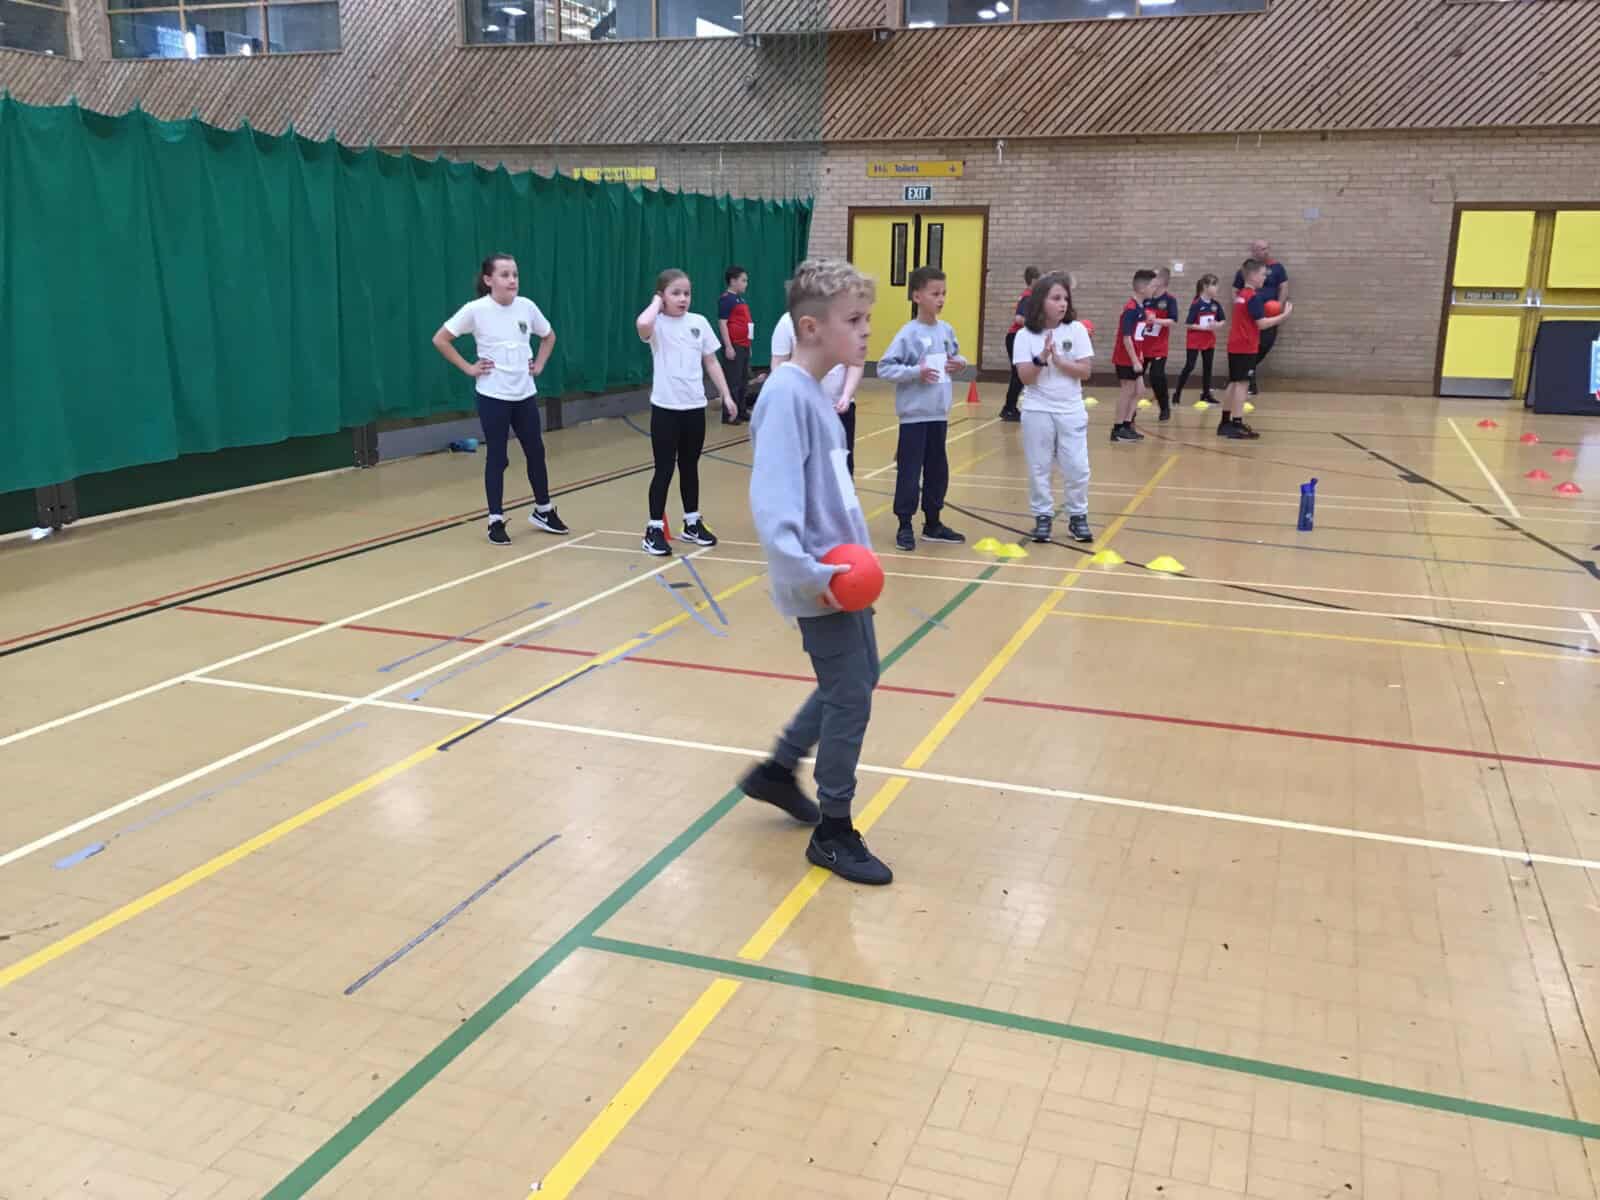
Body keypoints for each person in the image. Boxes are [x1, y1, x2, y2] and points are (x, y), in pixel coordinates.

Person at [737, 258, 892, 886]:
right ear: (811, 327)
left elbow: (833, 495)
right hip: (822, 581)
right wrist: (813, 576)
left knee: (860, 677)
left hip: (844, 574)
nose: (865, 331)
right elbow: (774, 504)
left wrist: (859, 557)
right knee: (850, 693)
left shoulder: (818, 394)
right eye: (853, 320)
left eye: (866, 319)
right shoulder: (785, 396)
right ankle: (833, 829)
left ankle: (777, 770)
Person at [431, 253, 570, 546]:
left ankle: (543, 510)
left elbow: (549, 336)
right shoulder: (476, 310)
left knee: (536, 451)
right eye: (505, 275)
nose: (512, 280)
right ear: (488, 280)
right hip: (493, 396)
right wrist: (469, 368)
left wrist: (539, 364)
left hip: (525, 395)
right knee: (498, 456)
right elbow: (440, 339)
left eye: (515, 274)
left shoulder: (527, 307)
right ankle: (495, 519)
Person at [635, 270, 736, 555]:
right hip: (666, 410)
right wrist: (656, 303)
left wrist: (726, 394)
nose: (682, 298)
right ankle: (654, 528)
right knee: (664, 468)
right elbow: (642, 323)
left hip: (694, 408)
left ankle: (691, 522)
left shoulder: (699, 322)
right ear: (662, 296)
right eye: (675, 293)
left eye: (687, 293)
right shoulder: (656, 324)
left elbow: (711, 362)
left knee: (690, 466)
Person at [877, 265, 967, 551]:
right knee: (909, 471)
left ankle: (933, 523)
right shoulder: (909, 333)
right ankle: (904, 524)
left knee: (937, 470)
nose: (941, 299)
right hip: (914, 417)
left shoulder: (946, 330)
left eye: (944, 293)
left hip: (939, 414)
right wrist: (917, 371)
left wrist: (959, 363)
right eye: (935, 293)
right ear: (917, 296)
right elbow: (885, 368)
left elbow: (955, 355)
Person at [1012, 272, 1095, 545]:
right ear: (1041, 302)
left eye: (1065, 299)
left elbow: (1085, 371)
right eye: (1056, 298)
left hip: (1070, 408)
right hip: (1037, 408)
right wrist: (1042, 358)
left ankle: (1077, 515)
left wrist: (1060, 362)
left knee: (1077, 467)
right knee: (1039, 466)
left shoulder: (1076, 330)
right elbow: (1025, 377)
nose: (1062, 304)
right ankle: (1042, 516)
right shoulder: (1025, 335)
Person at [772, 308, 864, 474]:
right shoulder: (786, 323)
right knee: (804, 467)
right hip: (802, 412)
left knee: (841, 469)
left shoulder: (844, 320)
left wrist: (846, 395)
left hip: (839, 409)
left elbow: (856, 363)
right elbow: (778, 364)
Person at [1222, 258, 1293, 439]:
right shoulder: (1253, 297)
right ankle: (1236, 423)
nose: (1264, 278)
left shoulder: (1241, 295)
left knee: (1234, 383)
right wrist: (1283, 316)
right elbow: (1262, 324)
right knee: (1242, 384)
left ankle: (1225, 423)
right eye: (1262, 274)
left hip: (1235, 344)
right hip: (1246, 346)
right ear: (1253, 275)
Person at [1232, 239, 1288, 395]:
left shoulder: (1277, 268)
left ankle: (1247, 371)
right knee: (1250, 346)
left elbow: (1284, 287)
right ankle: (1249, 382)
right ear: (1253, 251)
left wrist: (1279, 306)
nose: (1264, 251)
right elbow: (1235, 290)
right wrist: (1239, 306)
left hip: (1270, 313)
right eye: (1260, 249)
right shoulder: (1246, 270)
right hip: (1251, 315)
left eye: (1266, 248)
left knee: (1265, 344)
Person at [1110, 269, 1156, 443]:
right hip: (1126, 358)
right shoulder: (1130, 309)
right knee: (1127, 391)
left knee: (1139, 390)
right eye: (1152, 286)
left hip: (1136, 357)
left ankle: (1127, 424)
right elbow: (1126, 337)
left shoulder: (1141, 308)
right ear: (1142, 288)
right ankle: (1118, 428)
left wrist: (1140, 355)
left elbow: (1139, 336)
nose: (1154, 289)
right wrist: (1135, 360)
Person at [1174, 274, 1225, 407]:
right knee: (1190, 366)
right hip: (1195, 340)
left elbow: (1222, 320)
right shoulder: (1196, 304)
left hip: (1209, 340)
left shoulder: (1215, 304)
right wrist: (1204, 327)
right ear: (1205, 287)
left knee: (1208, 367)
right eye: (1214, 285)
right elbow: (1188, 324)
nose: (1217, 288)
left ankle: (1206, 394)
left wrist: (1217, 325)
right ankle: (1177, 393)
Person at [1001, 266, 1041, 422]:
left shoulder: (1032, 297)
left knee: (1019, 374)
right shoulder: (1028, 297)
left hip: (1019, 338)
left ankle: (1010, 407)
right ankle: (1008, 408)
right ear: (1033, 280)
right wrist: (1037, 326)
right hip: (1015, 337)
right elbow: (1019, 318)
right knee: (1018, 373)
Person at [717, 265, 754, 424]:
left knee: (743, 381)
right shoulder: (727, 299)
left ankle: (741, 410)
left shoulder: (741, 300)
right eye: (743, 280)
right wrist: (729, 346)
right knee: (733, 381)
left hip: (744, 345)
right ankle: (729, 415)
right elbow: (722, 323)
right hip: (734, 346)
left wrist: (748, 345)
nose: (746, 284)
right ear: (733, 281)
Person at [1142, 268, 1180, 421]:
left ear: (1162, 280)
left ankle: (1164, 407)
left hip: (1158, 346)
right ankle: (1130, 411)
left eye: (1154, 277)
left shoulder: (1169, 300)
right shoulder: (1145, 298)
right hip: (1142, 345)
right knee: (1135, 377)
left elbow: (1173, 320)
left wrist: (1156, 320)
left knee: (1156, 376)